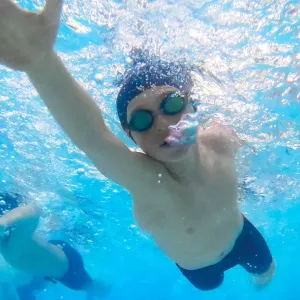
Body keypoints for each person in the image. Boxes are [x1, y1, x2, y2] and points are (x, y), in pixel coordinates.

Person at [0, 0, 275, 291]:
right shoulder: (148, 182)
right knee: (213, 287)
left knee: (266, 274)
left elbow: (246, 147)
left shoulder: (219, 138)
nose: (162, 123)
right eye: (142, 120)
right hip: (198, 267)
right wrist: (41, 62)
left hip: (243, 237)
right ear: (131, 135)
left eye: (171, 104)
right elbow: (94, 139)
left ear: (192, 105)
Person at [0, 192, 110, 299]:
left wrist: (4, 221)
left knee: (35, 210)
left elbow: (32, 211)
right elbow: (32, 210)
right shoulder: (18, 240)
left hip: (65, 264)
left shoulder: (19, 236)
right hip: (65, 266)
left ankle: (97, 288)